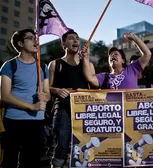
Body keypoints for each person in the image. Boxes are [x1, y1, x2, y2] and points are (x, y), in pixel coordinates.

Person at [0, 29, 50, 168]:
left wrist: (44, 97)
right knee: (9, 160)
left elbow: (48, 94)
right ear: (21, 43)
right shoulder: (9, 65)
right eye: (30, 38)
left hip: (36, 122)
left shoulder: (43, 67)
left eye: (36, 38)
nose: (36, 41)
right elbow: (4, 95)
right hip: (14, 120)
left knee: (31, 162)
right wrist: (32, 107)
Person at [48, 30, 95, 168]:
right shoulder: (55, 64)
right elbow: (47, 88)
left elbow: (95, 90)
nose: (75, 41)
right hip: (63, 110)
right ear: (63, 43)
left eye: (77, 38)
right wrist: (56, 90)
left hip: (84, 112)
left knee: (84, 149)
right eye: (71, 38)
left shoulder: (89, 65)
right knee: (61, 147)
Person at [81, 32, 151, 89]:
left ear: (123, 60)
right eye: (110, 55)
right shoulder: (104, 77)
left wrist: (135, 38)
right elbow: (89, 78)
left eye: (116, 54)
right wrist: (85, 57)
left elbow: (147, 54)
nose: (113, 55)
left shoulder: (132, 69)